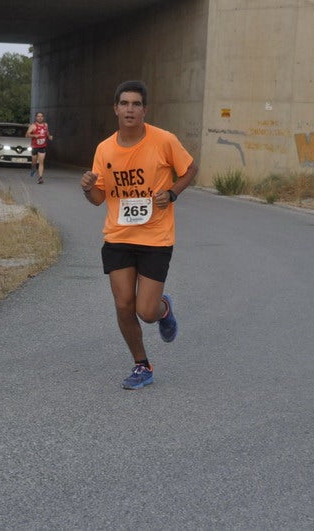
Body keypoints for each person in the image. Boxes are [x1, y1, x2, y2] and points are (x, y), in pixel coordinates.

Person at [80, 80, 198, 390]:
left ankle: (163, 308)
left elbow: (189, 169)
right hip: (118, 236)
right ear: (115, 108)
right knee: (123, 305)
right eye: (125, 103)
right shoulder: (104, 148)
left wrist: (171, 194)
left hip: (156, 238)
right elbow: (98, 199)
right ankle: (141, 365)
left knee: (146, 311)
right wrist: (88, 187)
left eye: (136, 104)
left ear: (144, 109)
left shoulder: (164, 140)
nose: (130, 109)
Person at [26, 111, 52, 184]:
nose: (40, 118)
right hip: (34, 146)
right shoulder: (33, 126)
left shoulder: (45, 125)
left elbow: (46, 132)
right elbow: (27, 135)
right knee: (34, 162)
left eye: (41, 116)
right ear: (36, 117)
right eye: (38, 116)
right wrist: (34, 135)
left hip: (42, 146)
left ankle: (40, 178)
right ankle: (33, 168)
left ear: (43, 117)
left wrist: (49, 136)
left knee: (41, 162)